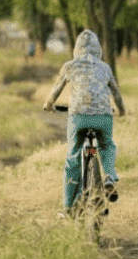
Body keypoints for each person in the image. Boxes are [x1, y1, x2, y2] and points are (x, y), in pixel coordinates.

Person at [43, 29, 126, 215]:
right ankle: (109, 177)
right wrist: (122, 111)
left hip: (78, 117)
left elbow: (56, 90)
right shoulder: (105, 67)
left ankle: (68, 207)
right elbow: (116, 94)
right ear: (98, 49)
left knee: (72, 158)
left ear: (76, 49)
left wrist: (48, 105)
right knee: (107, 145)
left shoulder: (69, 66)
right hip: (103, 117)